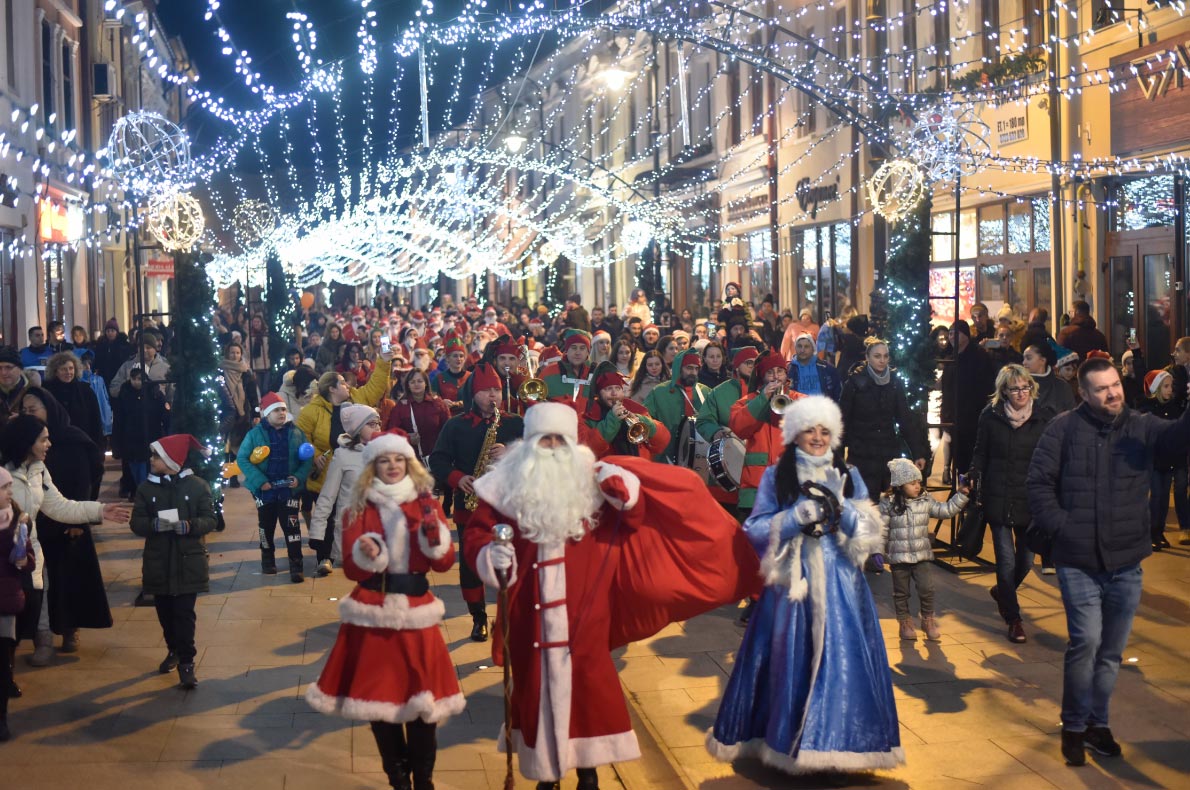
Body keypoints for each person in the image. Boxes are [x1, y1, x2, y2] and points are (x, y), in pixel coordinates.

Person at [465, 403, 758, 790]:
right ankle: (548, 773)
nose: (551, 447)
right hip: (529, 611)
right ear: (529, 444)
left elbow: (633, 518)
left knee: (589, 688)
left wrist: (626, 494)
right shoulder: (503, 488)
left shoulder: (591, 482)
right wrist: (490, 554)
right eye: (544, 440)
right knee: (535, 688)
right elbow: (477, 534)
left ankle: (589, 772)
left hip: (586, 609)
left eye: (559, 440)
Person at [707, 395, 902, 775]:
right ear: (795, 434)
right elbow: (755, 529)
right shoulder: (775, 476)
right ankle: (788, 744)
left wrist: (842, 512)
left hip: (843, 588)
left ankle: (838, 750)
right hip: (791, 590)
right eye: (809, 430)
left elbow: (869, 534)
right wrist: (796, 517)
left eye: (824, 431)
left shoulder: (850, 474)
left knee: (843, 665)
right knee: (787, 664)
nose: (817, 437)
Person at [1026, 355, 1190, 766]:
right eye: (1102, 388)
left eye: (1115, 384)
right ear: (1084, 392)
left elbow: (1176, 442)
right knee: (1086, 642)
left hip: (1126, 560)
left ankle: (1099, 725)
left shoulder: (1140, 425)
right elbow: (1039, 483)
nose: (1113, 393)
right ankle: (1074, 726)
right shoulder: (1062, 429)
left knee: (1111, 652)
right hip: (1077, 558)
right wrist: (1064, 527)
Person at [305, 431, 463, 790]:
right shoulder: (358, 507)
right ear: (372, 467)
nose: (392, 466)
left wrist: (435, 540)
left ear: (408, 463)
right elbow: (353, 569)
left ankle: (423, 779)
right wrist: (368, 552)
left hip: (417, 612)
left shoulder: (426, 504)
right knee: (379, 702)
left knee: (425, 706)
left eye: (398, 460)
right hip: (372, 612)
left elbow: (443, 564)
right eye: (383, 460)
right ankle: (398, 778)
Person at [0, 415, 130, 667]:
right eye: (43, 439)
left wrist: (99, 511)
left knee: (22, 617)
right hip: (3, 559)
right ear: (27, 442)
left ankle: (8, 673)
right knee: (6, 624)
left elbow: (59, 506)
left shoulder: (38, 470)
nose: (49, 444)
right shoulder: (4, 474)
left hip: (29, 556)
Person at [427, 363, 524, 642]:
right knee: (470, 565)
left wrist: (510, 450)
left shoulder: (515, 423)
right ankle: (478, 617)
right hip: (469, 504)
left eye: (496, 390)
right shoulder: (455, 425)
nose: (493, 396)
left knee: (515, 560)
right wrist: (458, 478)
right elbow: (438, 460)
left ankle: (513, 614)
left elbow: (534, 454)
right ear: (473, 394)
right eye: (486, 391)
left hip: (508, 504)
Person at [969, 365, 1056, 644]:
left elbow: (1051, 457)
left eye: (1025, 387)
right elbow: (980, 452)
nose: (1021, 393)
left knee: (1026, 561)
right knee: (1005, 560)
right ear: (1004, 390)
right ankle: (1014, 618)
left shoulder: (1043, 417)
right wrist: (972, 477)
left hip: (1030, 498)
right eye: (1015, 388)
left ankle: (1003, 592)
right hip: (999, 495)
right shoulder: (991, 415)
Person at [19, 387, 110, 653]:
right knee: (41, 583)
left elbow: (82, 483)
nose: (29, 414)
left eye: (33, 409)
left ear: (49, 409)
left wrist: (78, 522)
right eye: (25, 411)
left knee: (68, 581)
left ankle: (71, 629)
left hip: (68, 521)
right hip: (37, 524)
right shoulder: (24, 445)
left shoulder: (71, 439)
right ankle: (41, 636)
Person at [130, 434, 217, 690]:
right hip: (158, 563)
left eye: (156, 455)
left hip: (188, 562)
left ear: (171, 460)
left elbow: (210, 519)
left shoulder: (198, 486)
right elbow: (137, 522)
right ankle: (173, 649)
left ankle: (187, 662)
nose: (151, 460)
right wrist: (152, 525)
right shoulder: (146, 488)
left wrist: (190, 526)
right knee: (165, 614)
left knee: (184, 614)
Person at [296, 359, 392, 568]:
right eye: (342, 383)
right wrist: (315, 456)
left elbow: (376, 386)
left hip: (354, 470)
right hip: (324, 472)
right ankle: (325, 557)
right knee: (328, 514)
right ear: (331, 388)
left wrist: (384, 362)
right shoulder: (312, 411)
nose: (348, 386)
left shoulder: (357, 399)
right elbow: (300, 438)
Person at [881, 458, 969, 641]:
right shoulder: (889, 504)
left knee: (927, 588)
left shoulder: (925, 500)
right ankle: (905, 622)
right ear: (899, 485)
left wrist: (961, 495)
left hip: (921, 556)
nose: (917, 486)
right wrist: (877, 551)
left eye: (918, 482)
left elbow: (945, 511)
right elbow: (881, 530)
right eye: (912, 483)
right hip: (899, 557)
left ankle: (928, 619)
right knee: (901, 592)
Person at [839, 338, 929, 501]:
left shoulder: (894, 382)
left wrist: (917, 453)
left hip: (888, 453)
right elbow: (842, 420)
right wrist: (838, 457)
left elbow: (905, 418)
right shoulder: (854, 383)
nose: (882, 360)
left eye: (886, 356)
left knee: (891, 505)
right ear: (867, 357)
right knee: (865, 504)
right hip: (862, 454)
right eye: (877, 356)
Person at [238, 394, 314, 581]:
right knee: (266, 526)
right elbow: (242, 458)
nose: (281, 413)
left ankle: (296, 564)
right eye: (276, 410)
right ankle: (267, 559)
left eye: (283, 409)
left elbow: (307, 458)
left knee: (292, 526)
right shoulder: (254, 434)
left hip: (289, 489)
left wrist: (298, 477)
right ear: (266, 414)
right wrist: (259, 481)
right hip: (264, 490)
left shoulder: (296, 433)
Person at [310, 405, 382, 575]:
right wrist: (317, 532)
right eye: (371, 424)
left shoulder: (385, 452)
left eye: (378, 423)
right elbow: (328, 496)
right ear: (357, 429)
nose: (377, 427)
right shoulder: (342, 455)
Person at [729, 351, 801, 516]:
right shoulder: (747, 402)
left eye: (780, 371)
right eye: (770, 372)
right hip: (755, 492)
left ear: (786, 373)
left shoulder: (800, 399)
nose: (776, 377)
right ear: (762, 377)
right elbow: (739, 428)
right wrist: (762, 400)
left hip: (790, 486)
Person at [940, 321, 997, 481]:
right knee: (960, 459)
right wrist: (945, 415)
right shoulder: (951, 359)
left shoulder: (979, 356)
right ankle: (963, 492)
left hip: (975, 416)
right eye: (950, 333)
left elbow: (987, 385)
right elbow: (947, 391)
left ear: (966, 335)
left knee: (975, 457)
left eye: (956, 333)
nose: (952, 337)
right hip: (956, 417)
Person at [0, 465, 33, 741]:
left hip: (6, 600)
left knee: (3, 660)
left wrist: (25, 561)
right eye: (4, 487)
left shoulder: (18, 521)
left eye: (10, 486)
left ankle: (1, 719)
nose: (10, 491)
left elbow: (28, 557)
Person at [1138, 370, 1187, 550]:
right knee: (1156, 496)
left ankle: (1159, 532)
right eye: (1165, 386)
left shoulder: (1174, 406)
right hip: (1153, 459)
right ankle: (1151, 532)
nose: (1170, 390)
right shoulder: (1148, 409)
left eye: (1171, 386)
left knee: (1165, 497)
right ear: (1156, 388)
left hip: (1168, 460)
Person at [579, 363, 669, 460]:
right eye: (608, 389)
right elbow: (587, 449)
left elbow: (662, 442)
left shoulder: (635, 409)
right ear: (598, 393)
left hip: (638, 468)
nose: (614, 393)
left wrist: (644, 422)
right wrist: (613, 420)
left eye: (617, 388)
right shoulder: (587, 418)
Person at [644, 348, 711, 465]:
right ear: (679, 368)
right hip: (666, 458)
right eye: (689, 368)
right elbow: (645, 420)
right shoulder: (659, 392)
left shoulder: (706, 392)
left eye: (696, 368)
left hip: (700, 459)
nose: (694, 373)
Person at [111, 368, 169, 489]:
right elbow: (119, 419)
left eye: (140, 379)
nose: (137, 382)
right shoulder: (125, 393)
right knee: (135, 469)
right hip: (131, 438)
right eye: (134, 379)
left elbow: (164, 415)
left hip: (151, 435)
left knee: (149, 467)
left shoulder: (154, 393)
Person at [42, 352, 104, 452]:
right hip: (55, 448)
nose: (68, 372)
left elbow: (95, 422)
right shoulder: (46, 391)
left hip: (81, 447)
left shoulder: (86, 391)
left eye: (71, 368)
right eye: (63, 369)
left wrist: (99, 449)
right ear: (55, 371)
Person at [218, 342, 260, 489]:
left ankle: (235, 476)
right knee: (225, 447)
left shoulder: (246, 373)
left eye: (237, 353)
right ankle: (224, 475)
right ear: (227, 354)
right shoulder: (220, 372)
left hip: (242, 414)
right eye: (232, 352)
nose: (235, 355)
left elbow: (252, 395)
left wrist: (256, 413)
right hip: (226, 413)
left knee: (238, 447)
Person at [386, 368, 451, 463]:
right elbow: (392, 433)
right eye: (412, 382)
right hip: (411, 459)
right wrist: (407, 437)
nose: (416, 384)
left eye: (420, 381)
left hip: (437, 457)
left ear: (426, 383)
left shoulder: (438, 403)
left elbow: (448, 430)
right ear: (408, 385)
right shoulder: (401, 407)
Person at [1022, 343, 1076, 415]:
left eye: (1028, 358)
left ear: (1043, 360)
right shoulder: (1019, 384)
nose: (1024, 362)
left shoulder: (1062, 386)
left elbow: (1071, 415)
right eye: (1024, 358)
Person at [787, 333, 842, 400]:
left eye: (806, 346)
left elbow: (837, 393)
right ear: (795, 348)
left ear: (813, 348)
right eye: (799, 346)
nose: (802, 350)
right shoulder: (788, 369)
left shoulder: (827, 369)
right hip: (798, 408)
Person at [92, 319, 131, 386]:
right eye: (108, 331)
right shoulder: (101, 344)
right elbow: (97, 360)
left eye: (112, 331)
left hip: (119, 375)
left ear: (116, 332)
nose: (110, 333)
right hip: (104, 376)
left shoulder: (123, 345)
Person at [0, 348, 32, 428]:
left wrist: (25, 419)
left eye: (8, 367)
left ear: (20, 369)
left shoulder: (33, 391)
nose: (3, 372)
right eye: (0, 368)